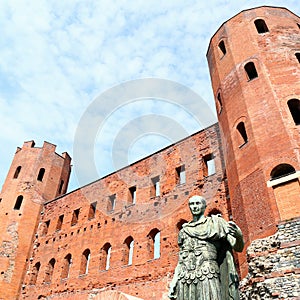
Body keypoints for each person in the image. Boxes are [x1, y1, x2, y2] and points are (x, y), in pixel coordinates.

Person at [168, 195, 244, 300]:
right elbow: (181, 260)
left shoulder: (215, 223)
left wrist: (239, 236)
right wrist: (174, 281)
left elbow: (238, 248)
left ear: (204, 206)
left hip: (208, 273)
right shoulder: (184, 231)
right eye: (191, 204)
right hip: (184, 277)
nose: (194, 207)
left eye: (197, 203)